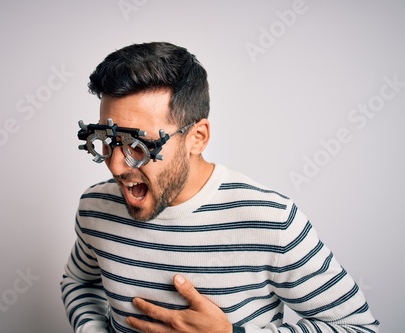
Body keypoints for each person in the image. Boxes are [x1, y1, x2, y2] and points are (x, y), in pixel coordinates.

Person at [60, 41, 379, 333]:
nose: (116, 166)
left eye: (139, 146)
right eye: (108, 140)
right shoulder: (96, 207)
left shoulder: (270, 220)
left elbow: (358, 327)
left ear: (196, 138)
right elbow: (79, 281)